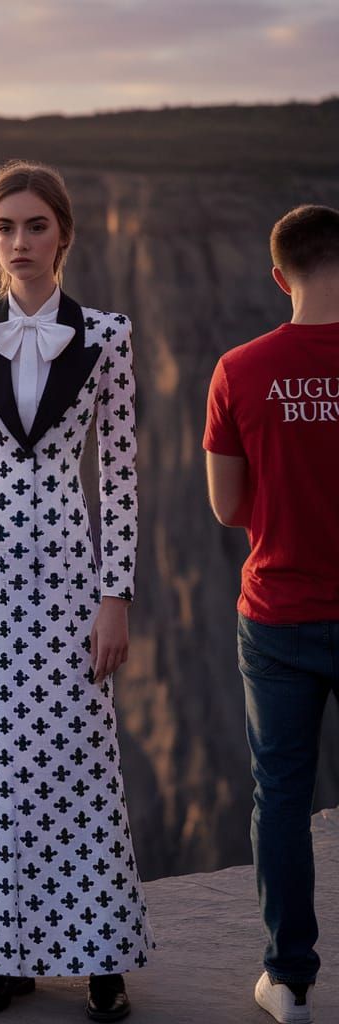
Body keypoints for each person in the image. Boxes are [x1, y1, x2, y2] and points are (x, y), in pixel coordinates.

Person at [0, 159, 155, 1021]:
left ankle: (102, 960)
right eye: (5, 227)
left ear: (64, 234)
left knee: (77, 755)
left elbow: (118, 473)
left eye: (35, 225)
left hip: (69, 574)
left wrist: (114, 594)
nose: (20, 242)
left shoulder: (109, 336)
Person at [203, 203, 339, 1024]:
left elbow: (226, 508)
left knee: (281, 796)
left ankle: (288, 981)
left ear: (278, 275)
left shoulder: (240, 369)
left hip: (280, 615)